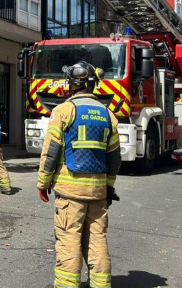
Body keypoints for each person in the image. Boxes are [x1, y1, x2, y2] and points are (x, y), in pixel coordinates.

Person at [37, 61, 120, 288]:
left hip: (70, 192)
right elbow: (114, 159)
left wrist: (43, 183)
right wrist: (109, 187)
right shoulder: (108, 115)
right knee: (97, 241)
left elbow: (51, 152)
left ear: (71, 84)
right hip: (98, 192)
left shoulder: (63, 111)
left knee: (68, 241)